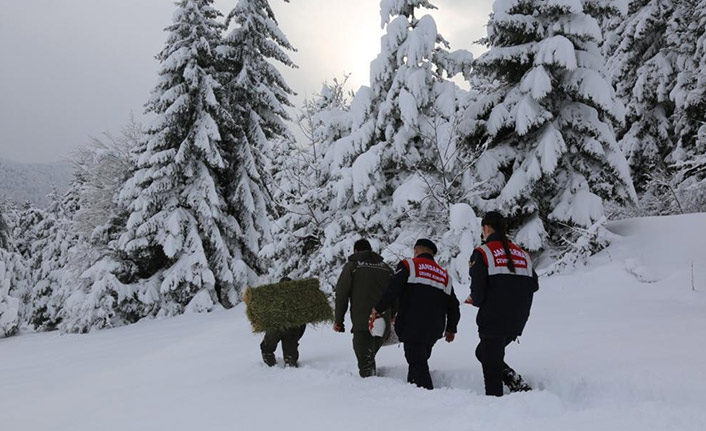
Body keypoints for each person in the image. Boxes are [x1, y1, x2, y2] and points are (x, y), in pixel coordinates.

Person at [371, 239, 460, 390]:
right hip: (433, 329)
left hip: (412, 325)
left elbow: (393, 290)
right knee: (419, 361)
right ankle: (413, 394)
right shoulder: (445, 276)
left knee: (417, 364)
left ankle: (427, 397)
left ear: (416, 250)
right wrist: (451, 328)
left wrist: (378, 309)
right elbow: (454, 306)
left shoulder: (409, 265)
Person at [469, 211, 539, 396]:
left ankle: (495, 406)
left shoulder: (483, 252)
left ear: (487, 228)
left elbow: (478, 292)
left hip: (493, 318)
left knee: (490, 366)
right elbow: (534, 285)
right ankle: (514, 381)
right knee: (483, 353)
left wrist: (475, 299)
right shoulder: (522, 254)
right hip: (518, 319)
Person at [334, 239, 394, 377]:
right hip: (383, 323)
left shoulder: (353, 266)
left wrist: (338, 320)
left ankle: (370, 392)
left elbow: (342, 294)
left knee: (365, 363)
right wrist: (392, 316)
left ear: (356, 251)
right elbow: (395, 294)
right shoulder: (386, 268)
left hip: (363, 323)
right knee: (369, 358)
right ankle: (374, 386)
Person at [260, 277, 307, 368]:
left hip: (277, 328)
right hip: (291, 330)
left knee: (267, 349)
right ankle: (288, 366)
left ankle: (270, 366)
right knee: (290, 356)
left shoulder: (273, 299)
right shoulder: (299, 300)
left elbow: (265, 315)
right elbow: (303, 323)